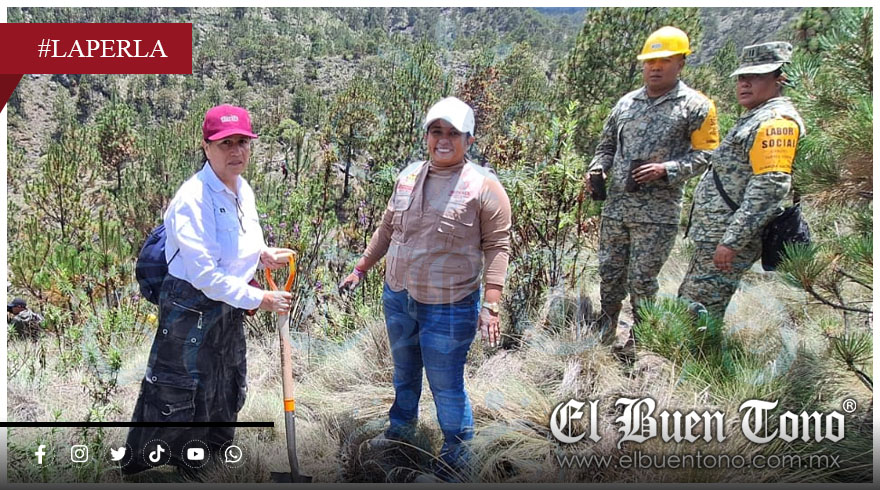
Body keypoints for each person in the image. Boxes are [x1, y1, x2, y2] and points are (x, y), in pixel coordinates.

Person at [339, 96, 511, 481]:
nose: (443, 140)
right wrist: (361, 268)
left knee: (446, 386)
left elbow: (498, 246)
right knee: (404, 374)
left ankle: (457, 458)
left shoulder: (484, 187)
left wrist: (491, 304)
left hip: (450, 304)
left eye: (453, 133)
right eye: (436, 131)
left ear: (469, 139)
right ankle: (402, 434)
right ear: (426, 136)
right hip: (399, 296)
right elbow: (387, 228)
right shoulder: (408, 176)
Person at [124, 105, 295, 476]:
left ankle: (208, 465)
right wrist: (261, 299)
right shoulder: (193, 198)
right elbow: (204, 275)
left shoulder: (242, 188)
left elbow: (242, 241)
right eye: (225, 143)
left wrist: (262, 255)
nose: (236, 151)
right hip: (190, 308)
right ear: (206, 147)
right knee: (178, 393)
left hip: (228, 306)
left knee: (224, 386)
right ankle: (154, 472)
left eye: (242, 142)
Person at [584, 26, 720, 348]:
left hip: (658, 214)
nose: (655, 67)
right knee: (610, 273)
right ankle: (606, 330)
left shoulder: (696, 106)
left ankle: (641, 340)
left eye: (664, 61)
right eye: (650, 62)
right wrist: (597, 168)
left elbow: (707, 155)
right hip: (616, 209)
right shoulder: (626, 104)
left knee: (643, 280)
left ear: (681, 63)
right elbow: (606, 146)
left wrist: (667, 169)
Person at [679, 42, 804, 320]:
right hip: (717, 236)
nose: (744, 83)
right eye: (741, 77)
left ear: (780, 78)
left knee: (697, 312)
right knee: (693, 304)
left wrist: (732, 242)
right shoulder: (755, 116)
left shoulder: (776, 122)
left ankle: (700, 349)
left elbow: (770, 187)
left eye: (756, 76)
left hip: (729, 237)